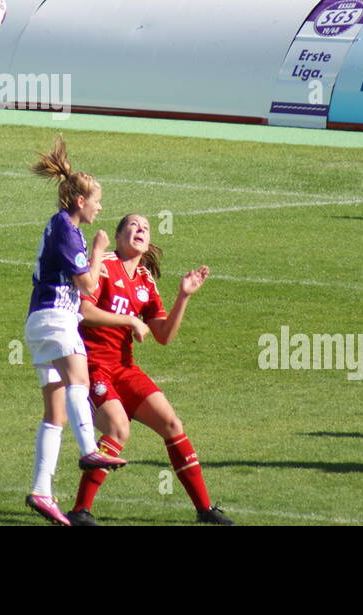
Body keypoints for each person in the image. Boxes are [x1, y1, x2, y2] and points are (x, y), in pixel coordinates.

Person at [67, 214, 231, 525]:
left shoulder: (145, 280)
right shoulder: (103, 265)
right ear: (118, 236)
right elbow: (84, 311)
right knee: (118, 428)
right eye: (133, 225)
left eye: (145, 227)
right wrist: (130, 320)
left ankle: (205, 510)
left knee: (172, 423)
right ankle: (79, 511)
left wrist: (183, 296)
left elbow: (163, 336)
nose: (141, 229)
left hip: (124, 368)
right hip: (92, 366)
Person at [23, 136, 142, 525]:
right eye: (96, 200)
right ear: (80, 201)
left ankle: (42, 490)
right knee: (80, 377)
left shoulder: (58, 225)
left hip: (39, 322)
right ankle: (90, 447)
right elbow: (89, 286)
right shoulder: (67, 229)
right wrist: (98, 249)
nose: (100, 206)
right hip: (57, 318)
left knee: (53, 413)